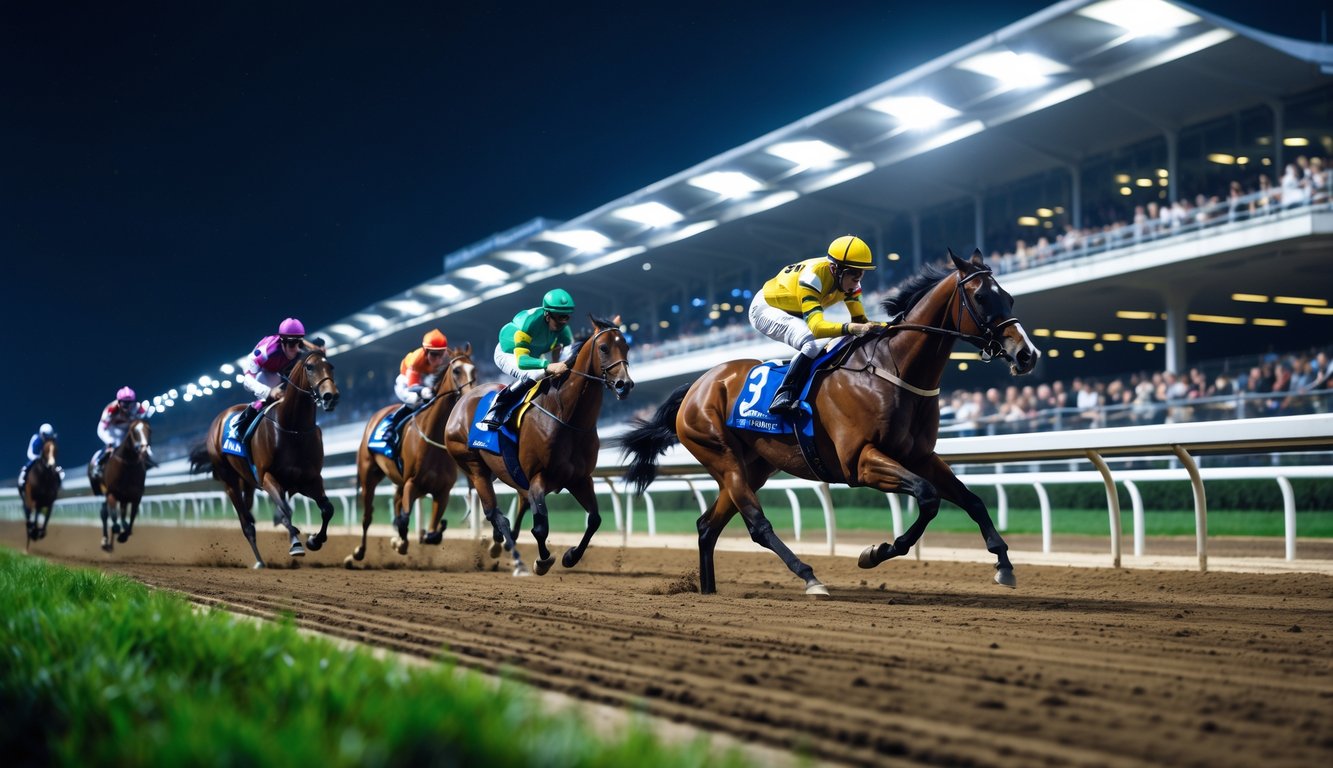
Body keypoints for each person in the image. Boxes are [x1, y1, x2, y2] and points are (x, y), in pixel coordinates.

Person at [748, 234, 879, 414]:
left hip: (796, 309)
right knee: (813, 342)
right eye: (853, 275)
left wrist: (889, 327)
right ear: (835, 270)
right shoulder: (812, 277)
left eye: (860, 275)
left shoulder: (851, 283)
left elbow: (861, 321)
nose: (857, 282)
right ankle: (784, 394)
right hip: (766, 308)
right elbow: (817, 328)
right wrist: (851, 328)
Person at [479, 289, 576, 429]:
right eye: (560, 317)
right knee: (534, 374)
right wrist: (548, 366)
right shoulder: (528, 323)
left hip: (536, 355)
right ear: (547, 315)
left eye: (567, 317)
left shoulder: (563, 330)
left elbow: (571, 354)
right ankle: (497, 409)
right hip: (509, 354)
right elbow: (523, 362)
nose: (564, 322)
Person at [234, 317, 323, 438]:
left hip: (281, 372)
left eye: (298, 343)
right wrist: (269, 392)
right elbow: (247, 381)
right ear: (282, 342)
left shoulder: (300, 348)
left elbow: (319, 357)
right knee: (271, 396)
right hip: (263, 373)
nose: (296, 348)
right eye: (291, 344)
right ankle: (243, 426)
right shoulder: (266, 351)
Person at [381, 329, 449, 454]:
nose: (438, 359)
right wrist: (423, 390)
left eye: (440, 354)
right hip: (406, 382)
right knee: (414, 400)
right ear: (425, 351)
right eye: (434, 354)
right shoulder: (416, 359)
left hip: (425, 379)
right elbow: (412, 386)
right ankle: (389, 428)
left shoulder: (446, 359)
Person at [94, 387, 150, 478]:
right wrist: (110, 442)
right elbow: (103, 427)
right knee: (114, 443)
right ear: (119, 402)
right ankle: (99, 463)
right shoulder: (111, 409)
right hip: (111, 430)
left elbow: (142, 423)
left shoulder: (140, 408)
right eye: (125, 403)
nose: (127, 407)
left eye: (130, 403)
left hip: (127, 429)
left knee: (141, 444)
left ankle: (146, 461)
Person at [18, 423, 59, 493]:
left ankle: (58, 483)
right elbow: (30, 453)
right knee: (27, 466)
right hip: (35, 459)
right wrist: (38, 458)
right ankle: (22, 479)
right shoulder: (36, 438)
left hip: (46, 460)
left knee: (56, 469)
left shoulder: (51, 441)